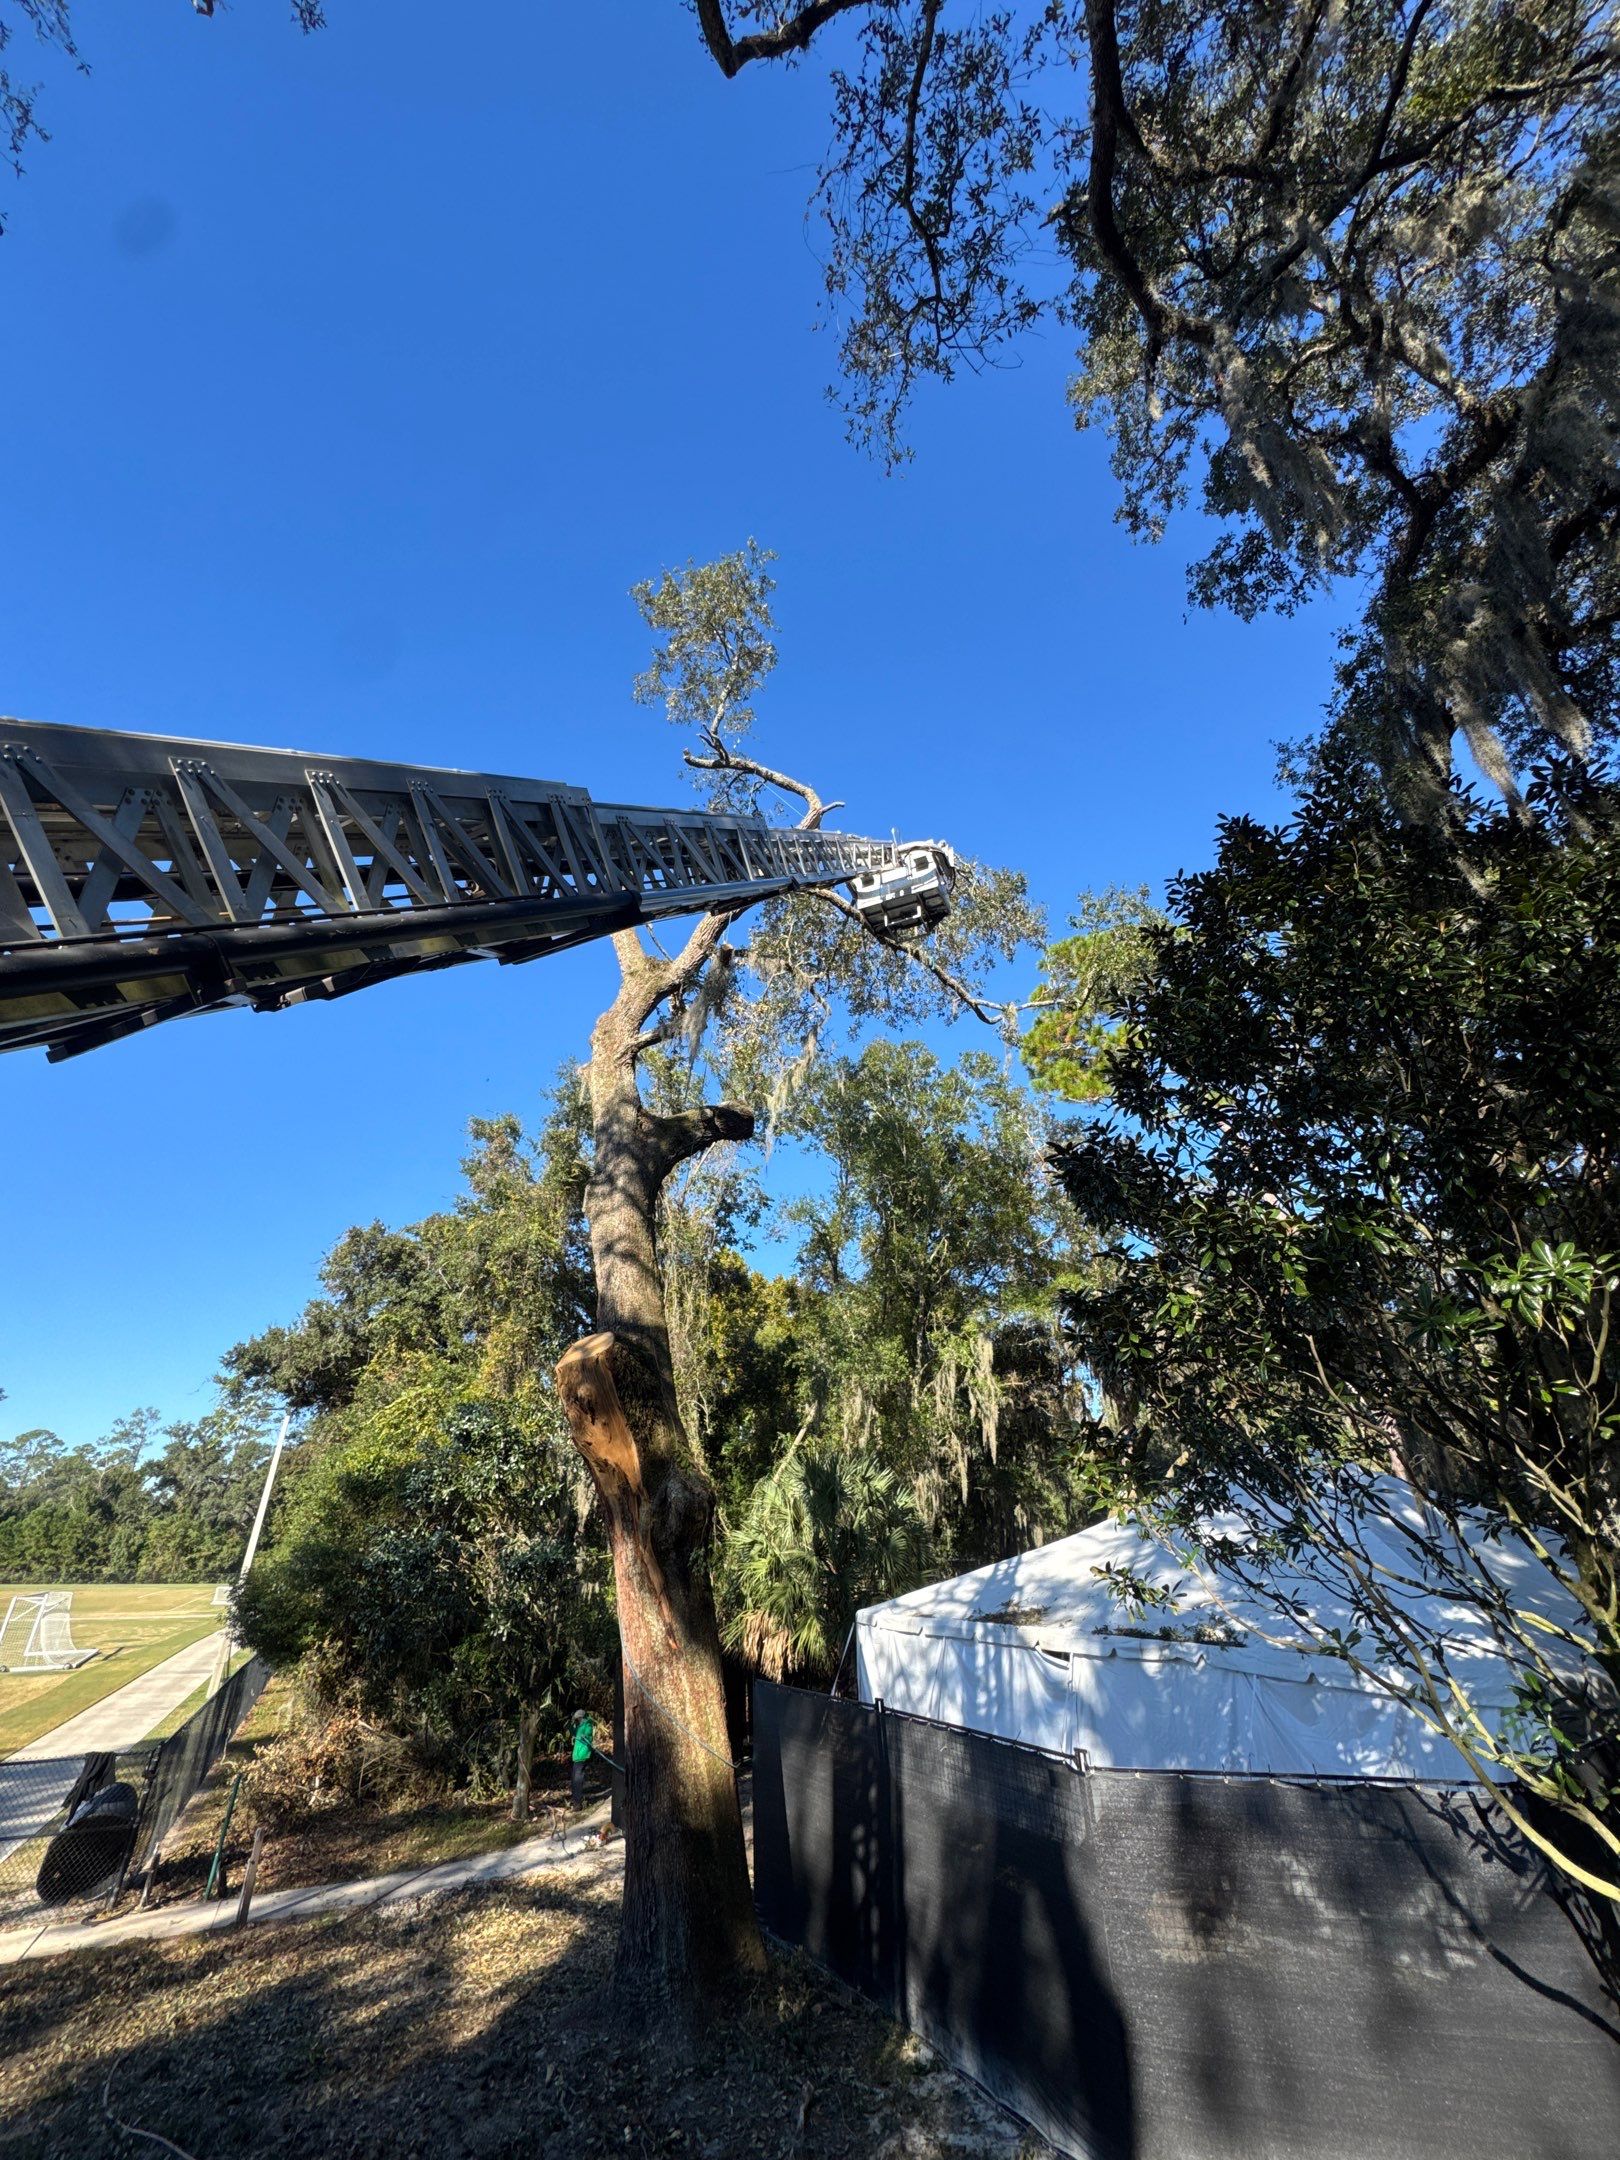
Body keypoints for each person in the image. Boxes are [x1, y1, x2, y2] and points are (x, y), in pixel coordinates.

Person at [570, 1708, 593, 1809]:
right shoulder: (578, 1726)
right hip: (576, 1756)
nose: (577, 1720)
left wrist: (585, 1736)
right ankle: (575, 1801)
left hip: (582, 1755)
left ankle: (578, 1803)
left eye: (578, 1719)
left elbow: (589, 1736)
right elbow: (573, 1732)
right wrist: (571, 1725)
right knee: (574, 1778)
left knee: (578, 1779)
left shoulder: (587, 1724)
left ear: (582, 1718)